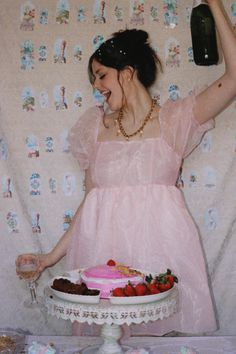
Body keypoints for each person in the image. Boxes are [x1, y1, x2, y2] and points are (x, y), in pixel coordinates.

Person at [17, 0, 236, 336]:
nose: (96, 86)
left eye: (101, 74)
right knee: (107, 341)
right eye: (94, 78)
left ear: (128, 72)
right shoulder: (94, 129)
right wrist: (49, 258)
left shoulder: (175, 120)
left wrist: (215, 4)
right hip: (103, 258)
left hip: (162, 257)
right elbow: (90, 204)